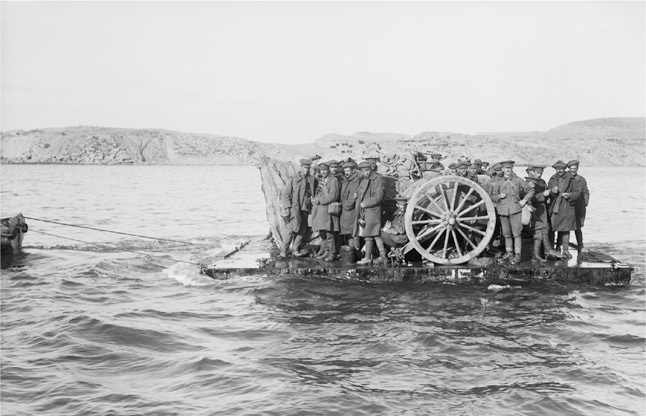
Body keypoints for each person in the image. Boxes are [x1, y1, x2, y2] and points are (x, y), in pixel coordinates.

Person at [491, 160, 535, 265]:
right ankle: (509, 253)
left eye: (509, 168)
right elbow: (492, 196)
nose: (507, 170)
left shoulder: (518, 180)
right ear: (502, 169)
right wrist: (498, 197)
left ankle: (518, 255)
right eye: (506, 168)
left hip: (515, 210)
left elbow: (531, 190)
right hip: (503, 211)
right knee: (506, 234)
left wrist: (524, 200)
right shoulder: (498, 182)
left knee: (517, 233)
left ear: (512, 169)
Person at [279, 158, 318, 258]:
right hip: (294, 209)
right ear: (301, 167)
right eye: (305, 168)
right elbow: (285, 195)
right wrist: (287, 208)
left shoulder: (312, 179)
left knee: (302, 230)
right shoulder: (293, 179)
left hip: (306, 209)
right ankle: (284, 251)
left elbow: (315, 192)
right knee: (290, 230)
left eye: (308, 168)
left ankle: (295, 249)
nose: (306, 170)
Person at [546, 160, 582, 258]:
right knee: (553, 228)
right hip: (555, 208)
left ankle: (565, 250)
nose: (560, 171)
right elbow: (548, 191)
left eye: (562, 169)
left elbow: (578, 193)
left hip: (567, 208)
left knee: (566, 230)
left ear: (565, 169)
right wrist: (552, 191)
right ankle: (554, 249)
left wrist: (569, 195)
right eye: (558, 169)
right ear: (556, 170)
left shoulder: (572, 179)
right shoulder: (552, 179)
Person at [524, 165, 559, 262]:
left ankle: (540, 253)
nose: (539, 175)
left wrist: (551, 193)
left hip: (542, 209)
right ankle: (546, 251)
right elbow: (529, 197)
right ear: (533, 172)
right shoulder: (529, 183)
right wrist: (543, 195)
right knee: (541, 229)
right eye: (538, 173)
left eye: (541, 173)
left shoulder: (542, 182)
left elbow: (546, 192)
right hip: (534, 210)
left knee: (543, 229)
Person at [354, 161, 386, 264]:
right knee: (375, 234)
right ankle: (382, 256)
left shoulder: (377, 180)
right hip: (365, 211)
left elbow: (378, 196)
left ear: (371, 169)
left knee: (369, 235)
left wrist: (365, 203)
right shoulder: (364, 180)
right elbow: (361, 192)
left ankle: (367, 258)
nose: (365, 173)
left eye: (367, 170)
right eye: (363, 171)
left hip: (372, 210)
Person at [311, 162, 340, 261]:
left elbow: (333, 195)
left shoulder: (333, 180)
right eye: (321, 170)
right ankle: (326, 251)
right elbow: (318, 193)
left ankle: (332, 253)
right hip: (320, 210)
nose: (323, 172)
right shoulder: (322, 180)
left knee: (329, 233)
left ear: (328, 170)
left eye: (325, 170)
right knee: (322, 232)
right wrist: (315, 199)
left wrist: (320, 200)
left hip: (327, 210)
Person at [567, 160, 589, 254]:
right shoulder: (565, 178)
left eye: (575, 169)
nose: (573, 170)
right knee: (565, 227)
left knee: (578, 227)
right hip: (567, 206)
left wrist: (585, 202)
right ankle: (562, 247)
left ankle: (580, 245)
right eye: (571, 168)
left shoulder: (581, 179)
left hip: (579, 206)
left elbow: (585, 191)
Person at [339, 160, 361, 251]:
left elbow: (353, 196)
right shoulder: (347, 180)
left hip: (350, 211)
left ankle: (356, 250)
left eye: (348, 171)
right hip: (345, 211)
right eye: (345, 171)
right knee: (348, 232)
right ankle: (351, 250)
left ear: (353, 170)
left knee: (353, 232)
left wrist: (346, 205)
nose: (346, 172)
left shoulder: (355, 180)